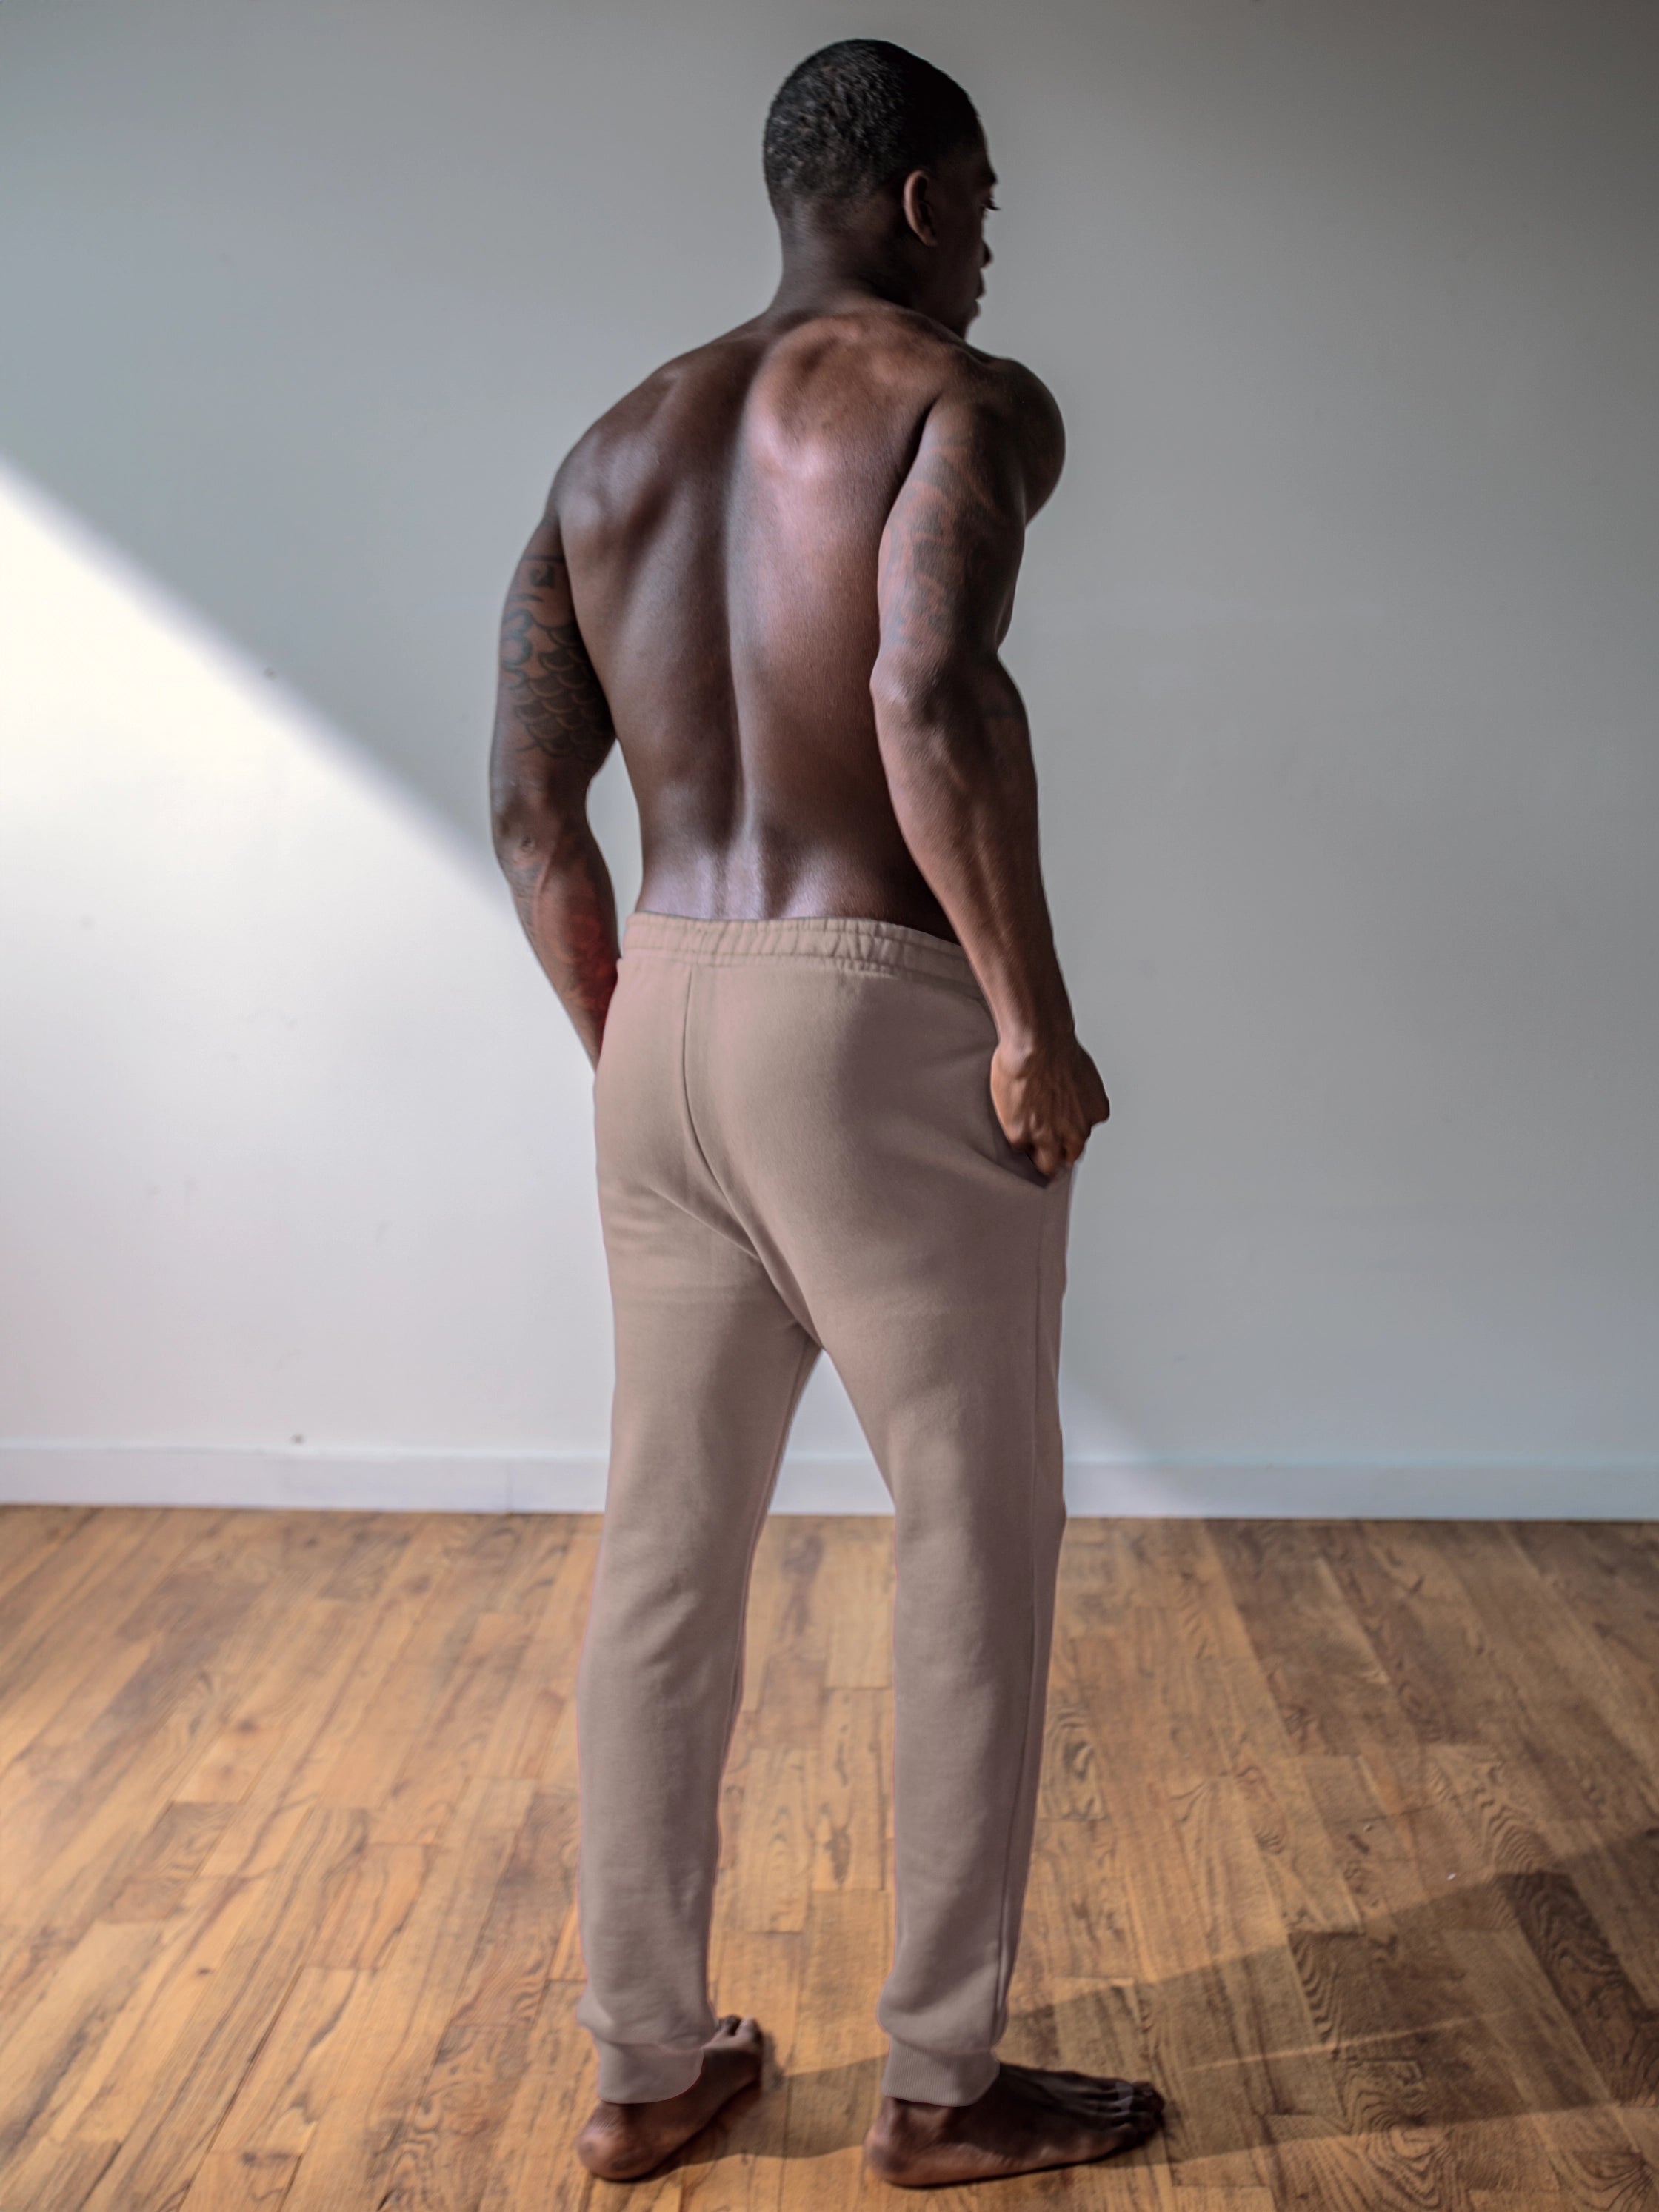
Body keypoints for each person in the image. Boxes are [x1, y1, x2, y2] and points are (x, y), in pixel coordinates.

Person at [489, 36, 1162, 2189]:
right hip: (870, 1007)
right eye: (978, 204)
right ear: (907, 200)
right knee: (976, 1532)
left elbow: (531, 807)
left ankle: (647, 2060)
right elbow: (925, 689)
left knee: (667, 1555)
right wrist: (1032, 1017)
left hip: (660, 1016)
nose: (987, 246)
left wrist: (631, 1029)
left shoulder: (608, 451)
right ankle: (946, 2082)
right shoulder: (962, 401)